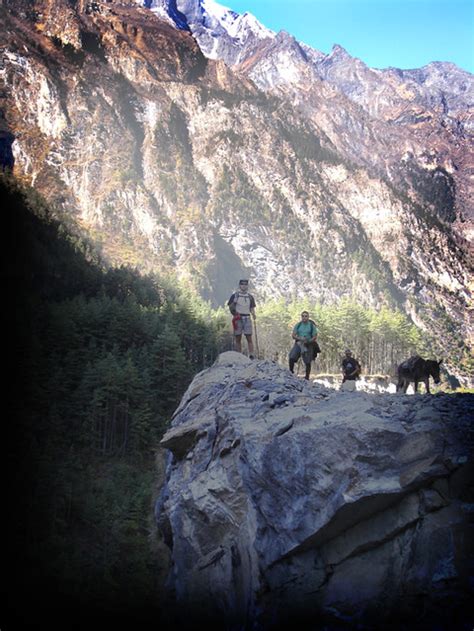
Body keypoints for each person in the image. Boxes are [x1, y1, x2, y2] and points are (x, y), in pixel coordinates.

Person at [227, 280, 256, 358]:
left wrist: (253, 314)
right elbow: (230, 306)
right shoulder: (235, 296)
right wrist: (234, 303)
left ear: (247, 286)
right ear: (239, 285)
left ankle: (251, 354)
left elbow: (252, 307)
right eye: (242, 284)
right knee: (238, 337)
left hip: (247, 317)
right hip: (238, 317)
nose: (244, 286)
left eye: (245, 285)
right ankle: (239, 355)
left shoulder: (250, 297)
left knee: (249, 336)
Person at [289, 311, 318, 380]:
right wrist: (299, 338)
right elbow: (293, 335)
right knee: (291, 357)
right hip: (299, 343)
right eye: (303, 316)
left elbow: (315, 336)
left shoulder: (311, 326)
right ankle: (291, 372)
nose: (304, 317)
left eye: (306, 316)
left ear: (308, 317)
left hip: (308, 344)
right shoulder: (298, 325)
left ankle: (307, 377)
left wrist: (309, 341)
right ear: (301, 317)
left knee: (307, 361)